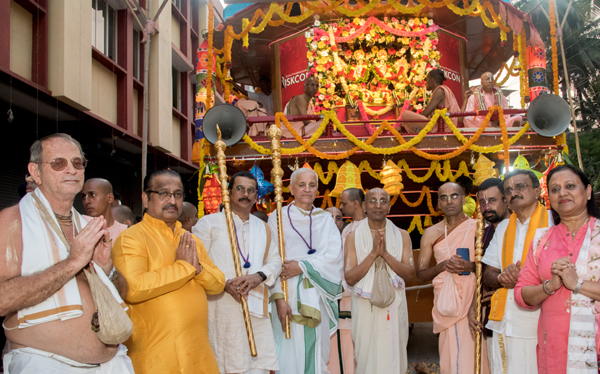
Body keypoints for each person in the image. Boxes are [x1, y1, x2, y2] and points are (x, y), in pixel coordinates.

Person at [0, 133, 133, 373]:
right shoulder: (11, 222)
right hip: (45, 362)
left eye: (77, 163)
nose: (71, 170)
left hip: (111, 363)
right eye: (58, 163)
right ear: (36, 172)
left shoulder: (86, 225)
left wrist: (106, 268)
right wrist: (74, 261)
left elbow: (122, 294)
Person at [111, 169, 225, 374]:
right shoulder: (131, 238)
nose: (172, 200)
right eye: (163, 193)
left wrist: (197, 269)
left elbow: (218, 283)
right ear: (146, 198)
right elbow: (133, 288)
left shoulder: (190, 239)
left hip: (197, 353)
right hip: (156, 355)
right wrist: (184, 267)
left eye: (178, 194)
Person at [193, 171, 281, 374]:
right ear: (230, 192)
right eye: (240, 189)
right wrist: (224, 284)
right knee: (224, 364)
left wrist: (258, 276)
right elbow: (197, 263)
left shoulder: (264, 227)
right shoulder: (209, 224)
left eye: (251, 190)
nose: (246, 194)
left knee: (256, 367)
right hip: (221, 309)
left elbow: (275, 261)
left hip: (255, 308)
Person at [515, 165, 600, 374]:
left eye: (570, 186)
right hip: (553, 349)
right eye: (554, 189)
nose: (562, 193)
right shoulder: (541, 240)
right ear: (549, 198)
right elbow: (521, 294)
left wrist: (577, 285)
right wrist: (550, 286)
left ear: (588, 191)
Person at [269, 168, 343, 374]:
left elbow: (334, 257)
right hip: (287, 294)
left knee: (315, 351)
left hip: (316, 294)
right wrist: (278, 299)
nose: (307, 189)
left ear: (317, 190)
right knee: (287, 349)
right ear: (291, 188)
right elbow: (272, 259)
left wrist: (302, 266)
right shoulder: (278, 217)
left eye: (312, 185)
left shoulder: (325, 219)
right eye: (301, 185)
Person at [481, 169, 552, 374]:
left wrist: (524, 277)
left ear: (537, 191)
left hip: (538, 322)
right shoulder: (503, 228)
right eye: (508, 190)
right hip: (504, 322)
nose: (514, 193)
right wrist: (502, 278)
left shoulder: (553, 223)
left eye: (520, 187)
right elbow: (488, 273)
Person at [344, 188, 414, 373]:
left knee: (393, 353)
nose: (378, 205)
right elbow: (350, 278)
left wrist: (385, 254)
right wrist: (374, 254)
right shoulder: (352, 237)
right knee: (366, 356)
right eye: (372, 201)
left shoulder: (402, 235)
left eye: (383, 201)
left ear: (389, 207)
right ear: (365, 206)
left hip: (394, 305)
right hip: (364, 306)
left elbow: (410, 275)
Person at [416, 182, 479, 374]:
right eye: (443, 197)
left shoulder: (478, 227)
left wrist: (470, 266)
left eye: (454, 196)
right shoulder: (431, 233)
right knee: (451, 357)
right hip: (446, 303)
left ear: (463, 199)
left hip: (473, 301)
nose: (449, 201)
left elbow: (492, 267)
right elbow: (420, 275)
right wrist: (443, 266)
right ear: (438, 204)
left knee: (474, 355)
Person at [468, 178, 510, 368]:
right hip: (491, 313)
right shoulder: (485, 233)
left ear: (506, 200)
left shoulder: (520, 228)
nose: (487, 207)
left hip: (517, 311)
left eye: (492, 200)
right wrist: (473, 306)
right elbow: (482, 273)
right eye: (482, 202)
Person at [328, 188, 366, 374]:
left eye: (343, 205)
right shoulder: (347, 232)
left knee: (356, 349)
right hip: (334, 299)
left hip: (355, 297)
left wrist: (342, 287)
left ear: (356, 203)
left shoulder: (368, 229)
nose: (341, 209)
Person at [401, 69, 460, 134]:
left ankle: (418, 132)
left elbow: (425, 113)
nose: (425, 83)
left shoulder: (439, 91)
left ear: (432, 80)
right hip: (441, 126)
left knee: (405, 114)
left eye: (426, 80)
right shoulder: (443, 90)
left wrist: (414, 122)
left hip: (441, 127)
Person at [81, 178, 128, 243]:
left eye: (92, 195)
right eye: (83, 196)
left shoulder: (125, 231)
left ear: (110, 198)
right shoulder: (79, 228)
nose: (86, 201)